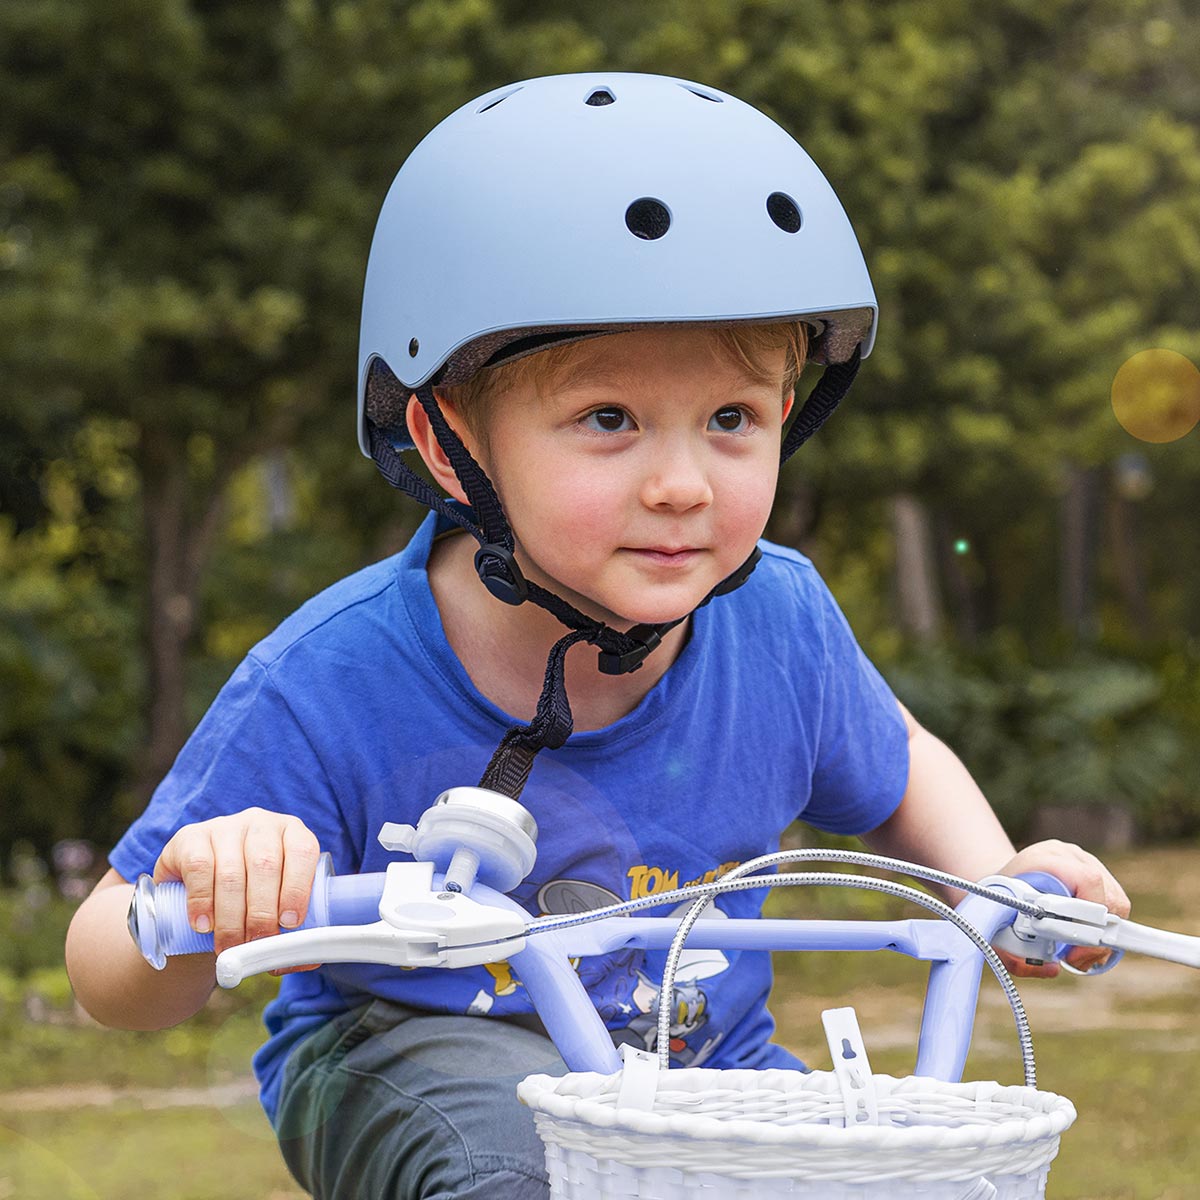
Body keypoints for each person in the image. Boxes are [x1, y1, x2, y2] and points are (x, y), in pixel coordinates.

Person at [65, 73, 1130, 1199]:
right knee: (523, 1178)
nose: (681, 485)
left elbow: (899, 759)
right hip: (414, 1059)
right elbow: (104, 976)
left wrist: (1000, 881)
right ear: (446, 440)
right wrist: (198, 903)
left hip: (699, 1079)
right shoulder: (330, 679)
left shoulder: (780, 622)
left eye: (731, 419)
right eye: (608, 420)